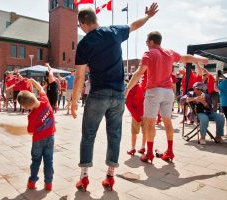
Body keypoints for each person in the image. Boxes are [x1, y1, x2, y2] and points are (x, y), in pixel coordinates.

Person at [71, 4, 158, 191]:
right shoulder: (113, 32)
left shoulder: (84, 44)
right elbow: (134, 25)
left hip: (98, 94)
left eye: (80, 26)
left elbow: (79, 76)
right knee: (115, 135)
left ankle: (84, 177)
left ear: (83, 24)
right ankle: (110, 176)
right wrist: (147, 16)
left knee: (88, 135)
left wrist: (73, 103)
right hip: (118, 95)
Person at [127, 31, 209, 164]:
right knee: (168, 122)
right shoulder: (169, 52)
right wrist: (199, 59)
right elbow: (185, 57)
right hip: (167, 92)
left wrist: (127, 89)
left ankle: (149, 153)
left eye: (147, 42)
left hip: (154, 91)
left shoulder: (149, 53)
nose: (147, 45)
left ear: (152, 42)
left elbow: (138, 73)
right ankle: (170, 151)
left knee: (149, 122)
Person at [17, 78, 55, 191]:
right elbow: (40, 88)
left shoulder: (31, 116)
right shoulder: (45, 101)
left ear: (26, 107)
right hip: (51, 137)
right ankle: (48, 184)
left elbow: (30, 132)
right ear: (34, 96)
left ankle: (32, 182)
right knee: (49, 161)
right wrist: (32, 81)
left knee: (36, 161)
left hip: (38, 140)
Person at [126, 80, 146, 155]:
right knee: (145, 132)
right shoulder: (140, 86)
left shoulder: (131, 90)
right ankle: (143, 147)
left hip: (136, 113)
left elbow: (129, 105)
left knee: (134, 132)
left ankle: (133, 148)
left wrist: (135, 116)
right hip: (144, 112)